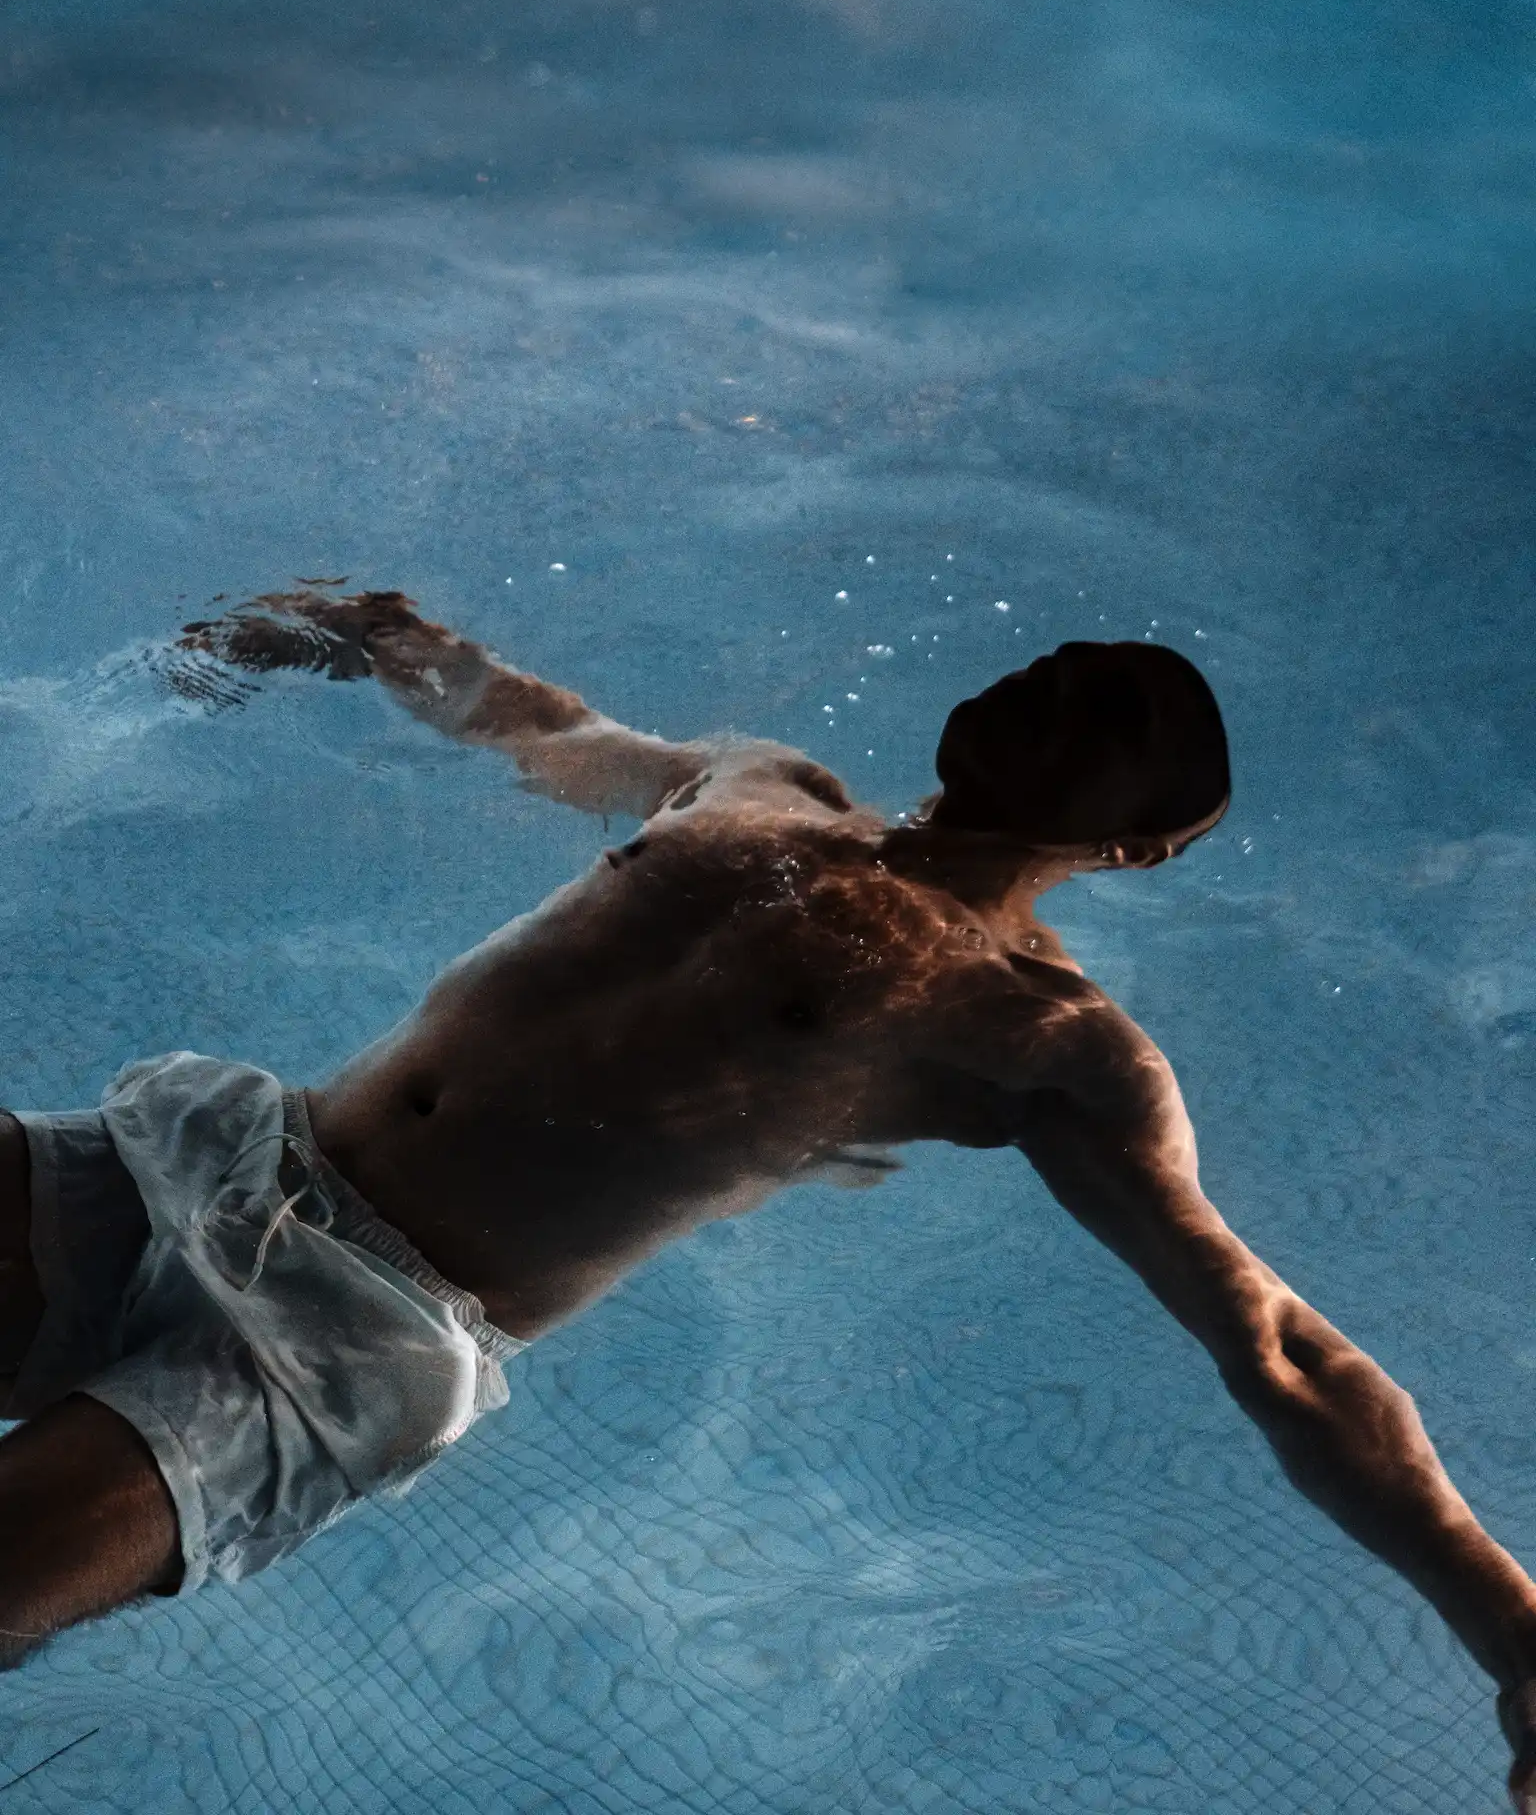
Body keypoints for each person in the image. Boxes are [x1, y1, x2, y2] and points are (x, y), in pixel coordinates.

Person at [1, 588, 1534, 1805]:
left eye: (1106, 710)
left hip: (346, 1342)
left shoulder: (1046, 1041)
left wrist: (1512, 1631)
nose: (1053, 685)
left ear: (1148, 845)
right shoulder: (768, 790)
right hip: (216, 1157)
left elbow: (1275, 1346)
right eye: (1061, 662)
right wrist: (380, 640)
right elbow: (550, 732)